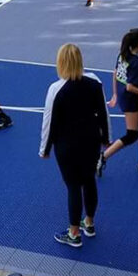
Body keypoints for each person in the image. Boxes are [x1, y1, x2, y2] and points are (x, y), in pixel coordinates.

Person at [40, 44, 110, 247]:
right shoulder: (94, 81)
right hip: (91, 141)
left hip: (67, 145)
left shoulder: (56, 89)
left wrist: (44, 149)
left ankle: (73, 233)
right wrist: (106, 138)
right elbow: (103, 113)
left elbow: (49, 121)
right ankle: (89, 222)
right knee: (89, 181)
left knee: (73, 186)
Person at [99, 28, 138, 174]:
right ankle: (102, 157)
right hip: (130, 99)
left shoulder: (122, 55)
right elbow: (130, 87)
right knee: (131, 134)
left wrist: (115, 94)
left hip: (124, 96)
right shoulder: (137, 65)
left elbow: (115, 73)